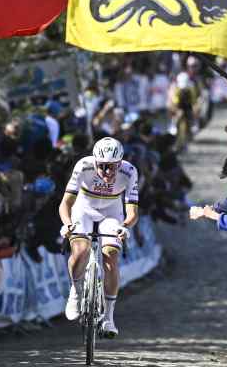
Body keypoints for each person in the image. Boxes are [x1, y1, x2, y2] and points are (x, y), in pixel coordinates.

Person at [58, 137, 139, 338]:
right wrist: (67, 223)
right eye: (102, 166)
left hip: (112, 213)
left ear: (120, 163)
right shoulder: (83, 166)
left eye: (113, 166)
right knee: (81, 250)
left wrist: (125, 227)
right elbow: (65, 203)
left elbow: (132, 212)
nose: (108, 172)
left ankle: (109, 318)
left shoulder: (129, 171)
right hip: (83, 210)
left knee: (111, 255)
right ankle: (76, 290)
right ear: (95, 162)